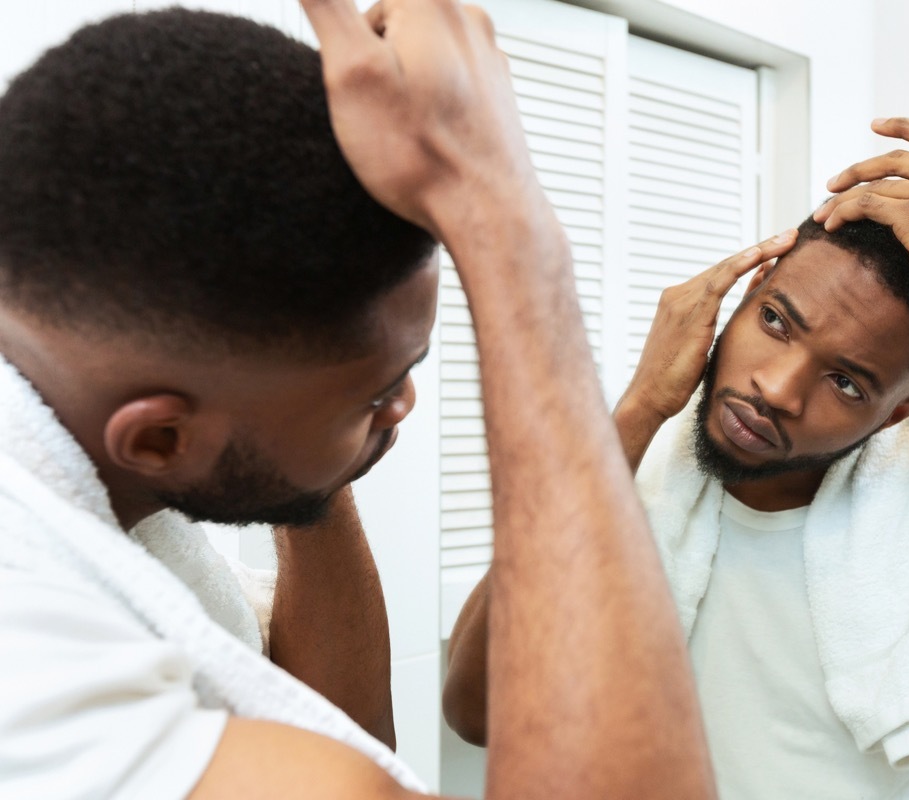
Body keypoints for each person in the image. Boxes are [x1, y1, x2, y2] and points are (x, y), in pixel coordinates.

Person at [0, 2, 718, 799]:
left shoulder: (88, 459)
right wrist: (505, 227)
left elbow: (340, 730)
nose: (403, 403)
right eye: (376, 393)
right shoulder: (29, 658)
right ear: (161, 439)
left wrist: (303, 453)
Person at [443, 119, 909, 798]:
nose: (774, 390)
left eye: (847, 382)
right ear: (746, 293)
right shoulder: (624, 467)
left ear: (897, 412)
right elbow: (476, 710)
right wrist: (635, 411)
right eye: (776, 321)